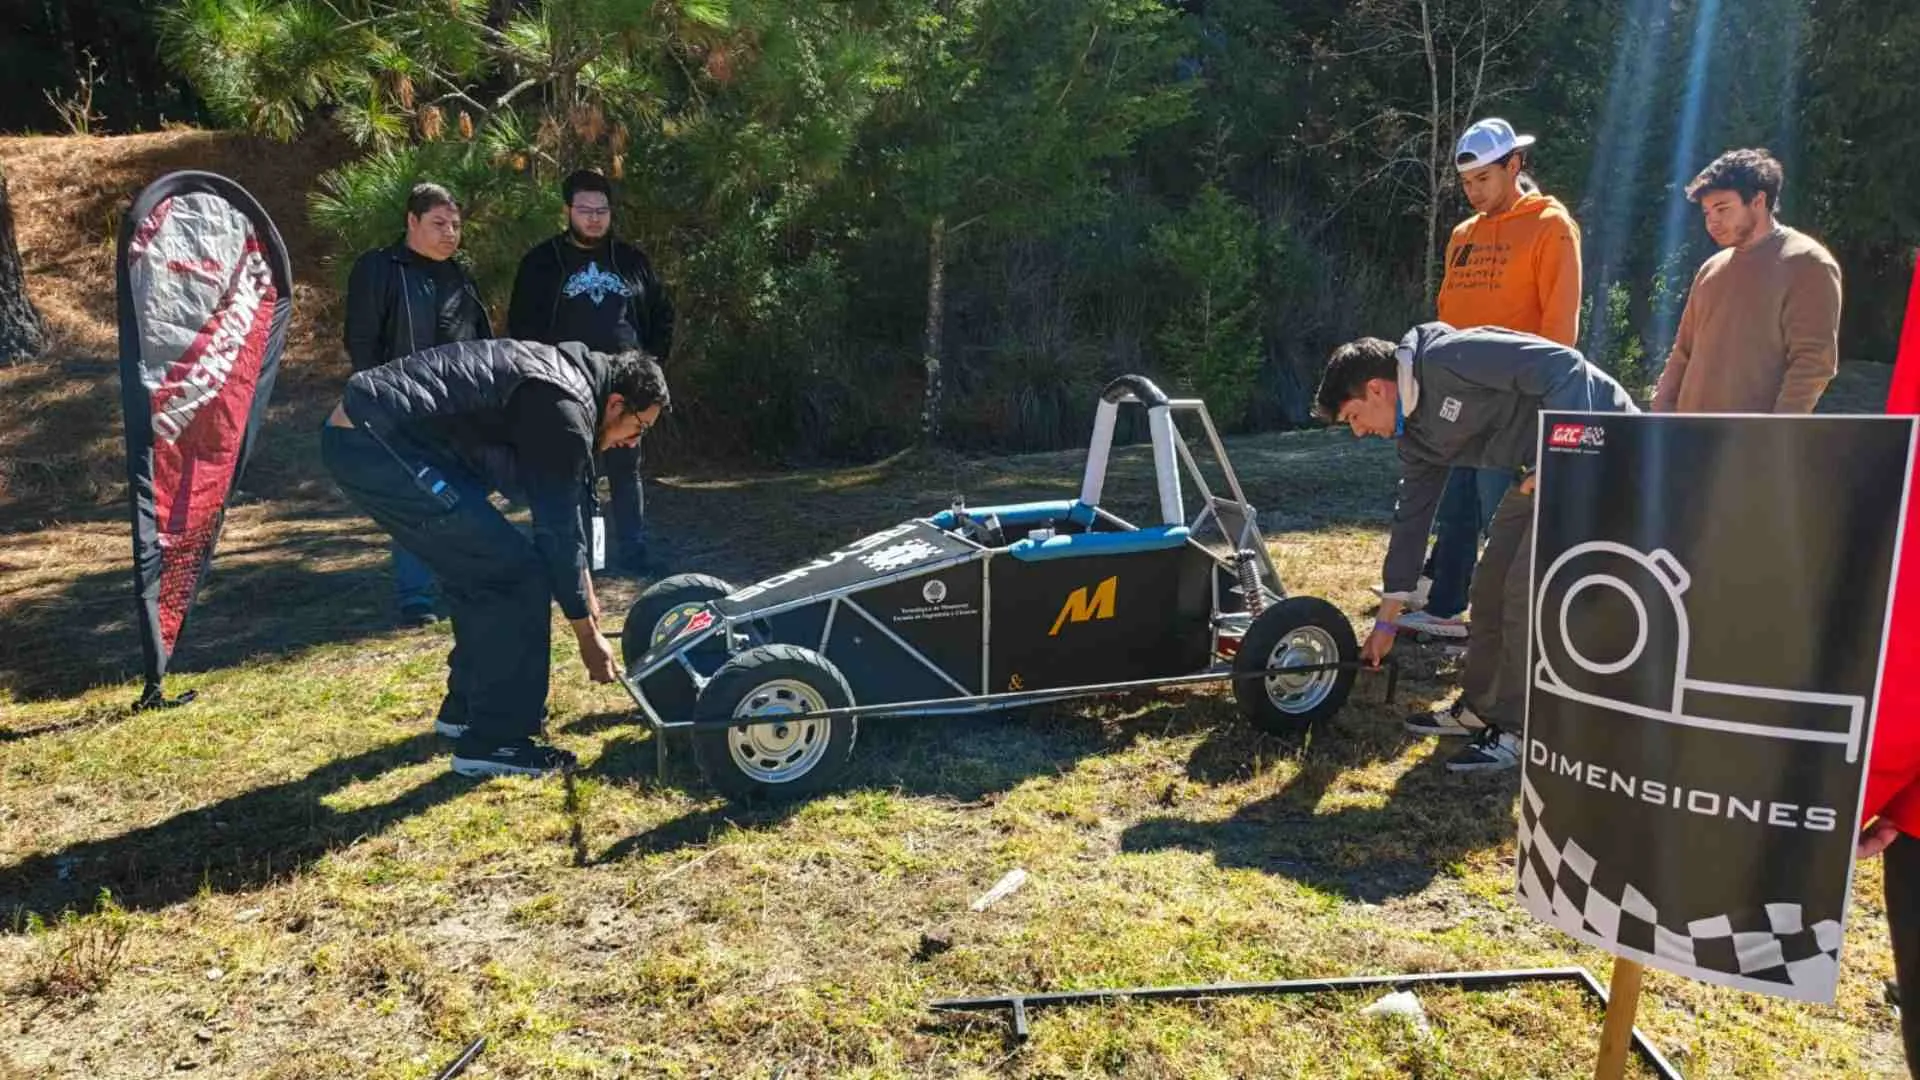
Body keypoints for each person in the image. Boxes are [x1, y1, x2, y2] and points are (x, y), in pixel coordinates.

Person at [319, 339, 668, 778]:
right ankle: (497, 743)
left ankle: (465, 710)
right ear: (616, 403)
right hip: (374, 441)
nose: (632, 444)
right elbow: (556, 532)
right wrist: (586, 636)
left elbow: (565, 519)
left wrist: (584, 593)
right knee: (517, 577)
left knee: (481, 572)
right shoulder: (564, 407)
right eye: (638, 429)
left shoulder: (569, 387)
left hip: (371, 437)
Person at [1316, 324, 1635, 772]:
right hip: (1539, 468)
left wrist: (1559, 458)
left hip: (1599, 445)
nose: (1358, 431)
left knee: (1524, 592)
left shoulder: (1450, 357)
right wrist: (1386, 624)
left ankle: (1521, 731)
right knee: (1488, 586)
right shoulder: (1415, 439)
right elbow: (1412, 520)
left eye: (1353, 416)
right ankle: (1481, 710)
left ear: (1376, 388)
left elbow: (1565, 367)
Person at [1397, 117, 1585, 642]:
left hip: (1515, 401)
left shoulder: (1551, 225)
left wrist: (1547, 404)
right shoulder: (1463, 235)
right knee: (1455, 497)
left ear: (1515, 165)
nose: (1474, 192)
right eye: (1466, 183)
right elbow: (1446, 309)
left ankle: (1494, 618)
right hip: (1458, 395)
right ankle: (1443, 600)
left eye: (1484, 179)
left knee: (1494, 505)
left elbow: (1559, 327)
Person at [508, 169, 675, 578]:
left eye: (602, 210)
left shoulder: (632, 262)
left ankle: (634, 554)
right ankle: (589, 560)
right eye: (585, 210)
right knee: (577, 480)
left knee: (626, 473)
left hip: (627, 389)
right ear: (568, 211)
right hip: (568, 391)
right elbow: (522, 327)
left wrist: (650, 367)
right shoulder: (541, 264)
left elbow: (661, 315)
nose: (595, 218)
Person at [342, 182, 493, 626]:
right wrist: (377, 403)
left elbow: (482, 342)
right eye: (439, 224)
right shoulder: (379, 268)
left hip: (463, 412)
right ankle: (417, 597)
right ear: (412, 221)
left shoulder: (462, 275)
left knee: (466, 497)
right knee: (416, 500)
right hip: (403, 410)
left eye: (456, 225)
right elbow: (361, 339)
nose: (450, 234)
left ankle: (463, 583)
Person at [1651, 148, 1843, 413]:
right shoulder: (1712, 268)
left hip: (1751, 443)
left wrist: (1774, 436)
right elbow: (1682, 353)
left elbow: (1812, 364)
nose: (1713, 222)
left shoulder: (1807, 262)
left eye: (1722, 209)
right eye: (1707, 213)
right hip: (1687, 437)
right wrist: (1658, 420)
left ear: (1758, 201)